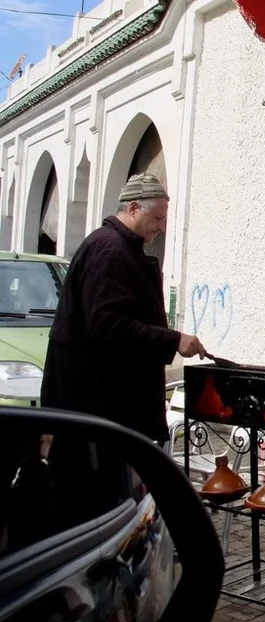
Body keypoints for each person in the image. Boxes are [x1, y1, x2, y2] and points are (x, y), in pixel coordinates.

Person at [40, 173, 206, 442]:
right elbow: (107, 324)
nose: (162, 227)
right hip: (96, 404)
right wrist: (173, 339)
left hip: (105, 405)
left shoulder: (118, 247)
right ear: (132, 208)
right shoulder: (109, 249)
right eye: (157, 218)